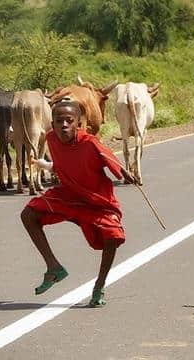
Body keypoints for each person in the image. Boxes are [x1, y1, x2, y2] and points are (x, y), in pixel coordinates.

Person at [20, 99, 137, 307]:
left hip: (96, 199)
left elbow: (111, 160)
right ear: (52, 124)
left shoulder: (90, 142)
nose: (63, 125)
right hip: (69, 194)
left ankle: (99, 285)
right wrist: (46, 166)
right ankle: (53, 266)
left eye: (68, 121)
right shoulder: (51, 139)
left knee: (112, 235)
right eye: (59, 121)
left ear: (78, 124)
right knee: (28, 214)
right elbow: (61, 164)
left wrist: (124, 173)